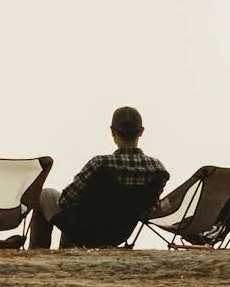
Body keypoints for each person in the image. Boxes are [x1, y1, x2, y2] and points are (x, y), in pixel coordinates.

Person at [27, 106, 168, 249]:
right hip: (118, 234)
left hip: (84, 230)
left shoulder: (100, 164)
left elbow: (65, 201)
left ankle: (36, 252)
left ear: (112, 132)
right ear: (141, 131)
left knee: (44, 196)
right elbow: (148, 210)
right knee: (76, 209)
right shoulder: (158, 170)